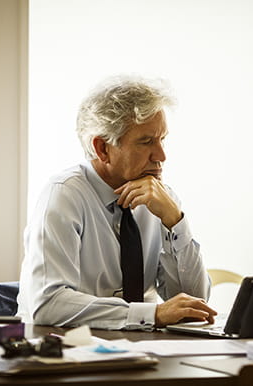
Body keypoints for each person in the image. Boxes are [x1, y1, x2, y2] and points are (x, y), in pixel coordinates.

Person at [16, 75, 216, 330]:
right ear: (102, 149)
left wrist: (175, 221)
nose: (162, 156)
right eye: (146, 142)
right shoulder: (64, 195)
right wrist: (152, 314)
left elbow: (194, 303)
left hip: (138, 350)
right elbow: (47, 304)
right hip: (62, 350)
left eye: (162, 139)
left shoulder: (160, 199)